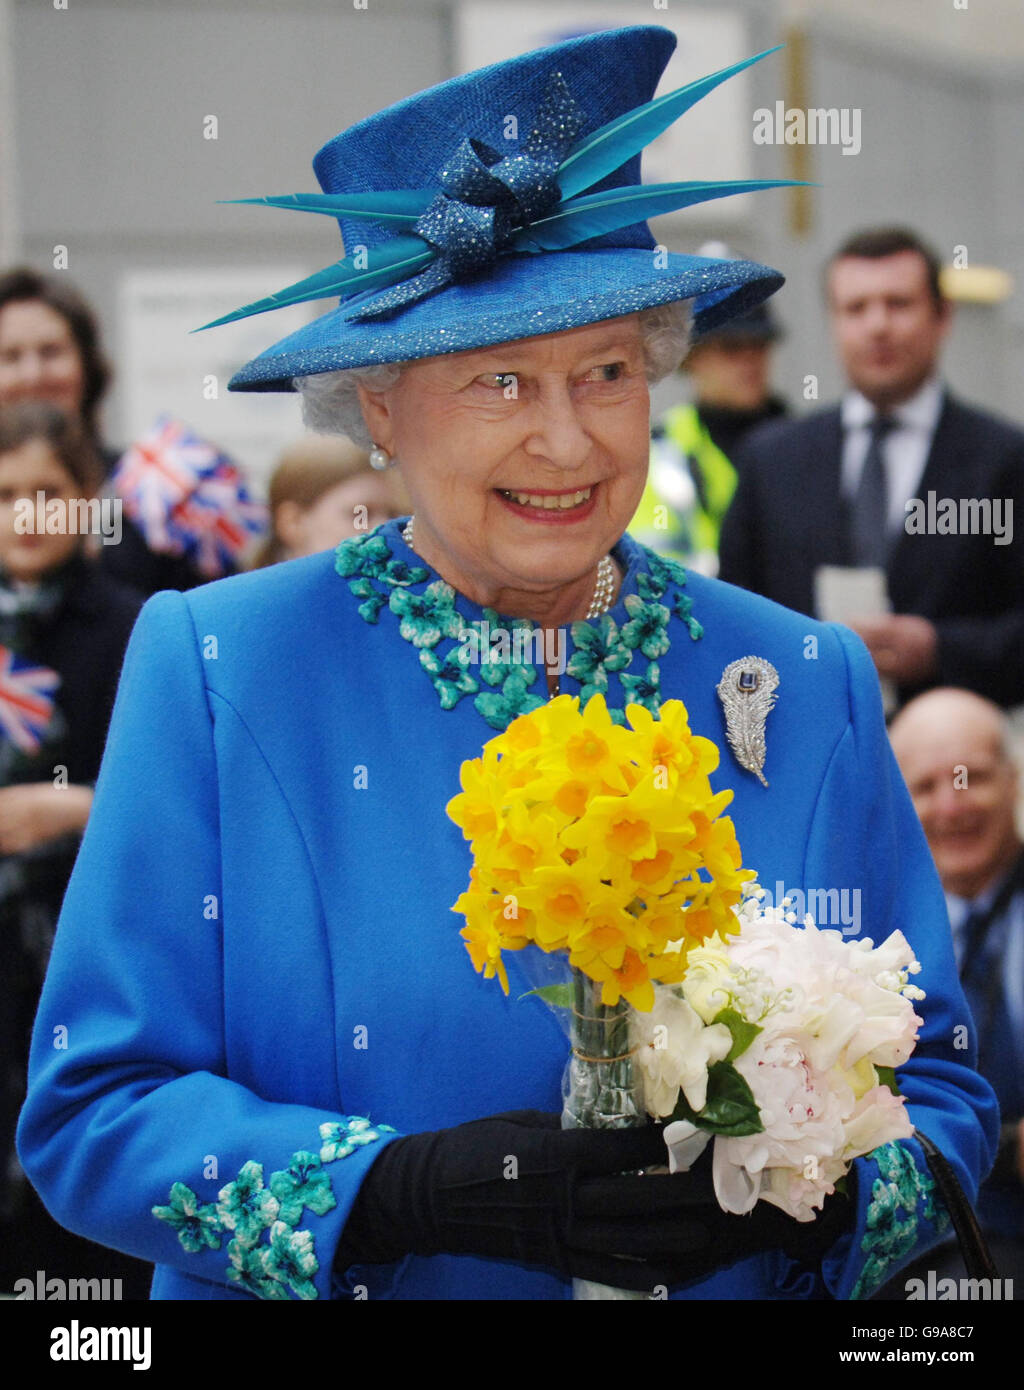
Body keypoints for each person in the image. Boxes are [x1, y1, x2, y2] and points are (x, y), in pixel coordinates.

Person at [18, 26, 995, 1302]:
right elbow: (93, 1110)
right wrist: (387, 1193)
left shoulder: (802, 677)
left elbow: (948, 1092)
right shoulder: (219, 668)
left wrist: (824, 1201)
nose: (565, 438)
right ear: (377, 400)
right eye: (497, 379)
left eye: (606, 371)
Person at [719, 227, 1024, 709]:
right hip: (802, 747)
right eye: (856, 308)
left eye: (898, 304)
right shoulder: (771, 461)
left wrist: (939, 649)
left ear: (943, 316)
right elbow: (729, 617)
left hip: (947, 764)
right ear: (834, 322)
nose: (877, 326)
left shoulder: (1004, 460)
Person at [0, 401, 150, 1296]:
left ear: (90, 499)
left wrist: (66, 811)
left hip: (88, 940)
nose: (27, 513)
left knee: (85, 1164)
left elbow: (170, 801)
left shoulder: (135, 625)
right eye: (7, 494)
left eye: (48, 493)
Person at [889, 688, 1024, 1286]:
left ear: (1016, 781)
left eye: (974, 777)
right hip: (899, 1256)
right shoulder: (853, 932)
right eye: (926, 787)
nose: (953, 805)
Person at [0, 266, 234, 596]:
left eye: (51, 352)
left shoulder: (158, 484)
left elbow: (215, 613)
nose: (32, 375)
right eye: (9, 357)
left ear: (87, 364)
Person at [629, 243, 786, 573]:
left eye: (759, 345)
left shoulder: (800, 445)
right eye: (731, 348)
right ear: (690, 356)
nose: (749, 361)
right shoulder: (655, 452)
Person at [250, 434, 410, 569]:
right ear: (293, 522)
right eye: (360, 514)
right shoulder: (244, 601)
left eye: (392, 514)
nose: (384, 527)